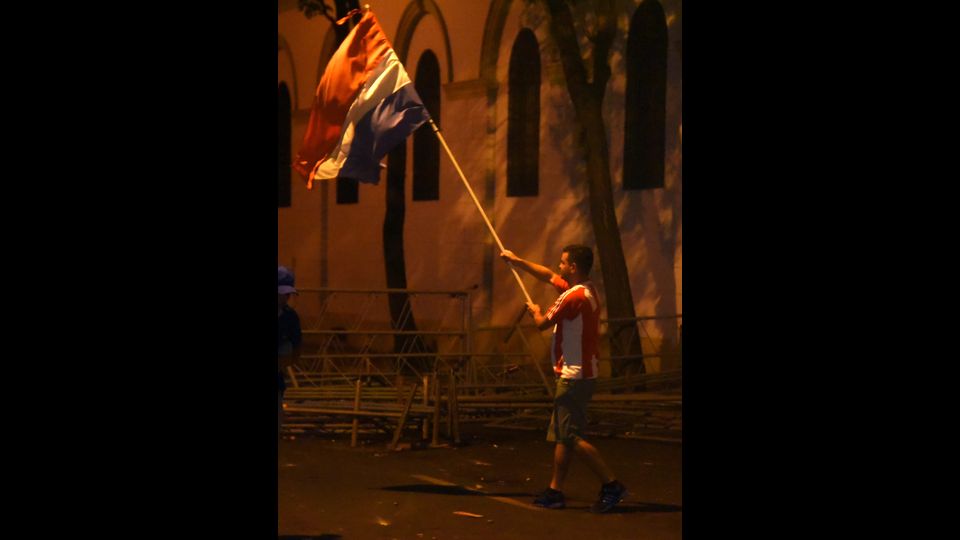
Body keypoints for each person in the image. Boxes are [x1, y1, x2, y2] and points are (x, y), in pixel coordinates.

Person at [501, 245, 627, 513]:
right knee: (563, 435)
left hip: (573, 375)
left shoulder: (572, 297)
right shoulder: (587, 290)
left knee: (569, 435)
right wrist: (517, 260)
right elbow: (547, 276)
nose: (558, 266)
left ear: (573, 267)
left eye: (562, 263)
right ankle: (555, 490)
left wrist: (534, 309)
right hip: (581, 372)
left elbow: (542, 323)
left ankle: (612, 484)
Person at [278, 266, 302, 439]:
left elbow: (296, 347)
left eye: (287, 294)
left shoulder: (289, 316)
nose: (285, 298)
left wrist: (286, 361)